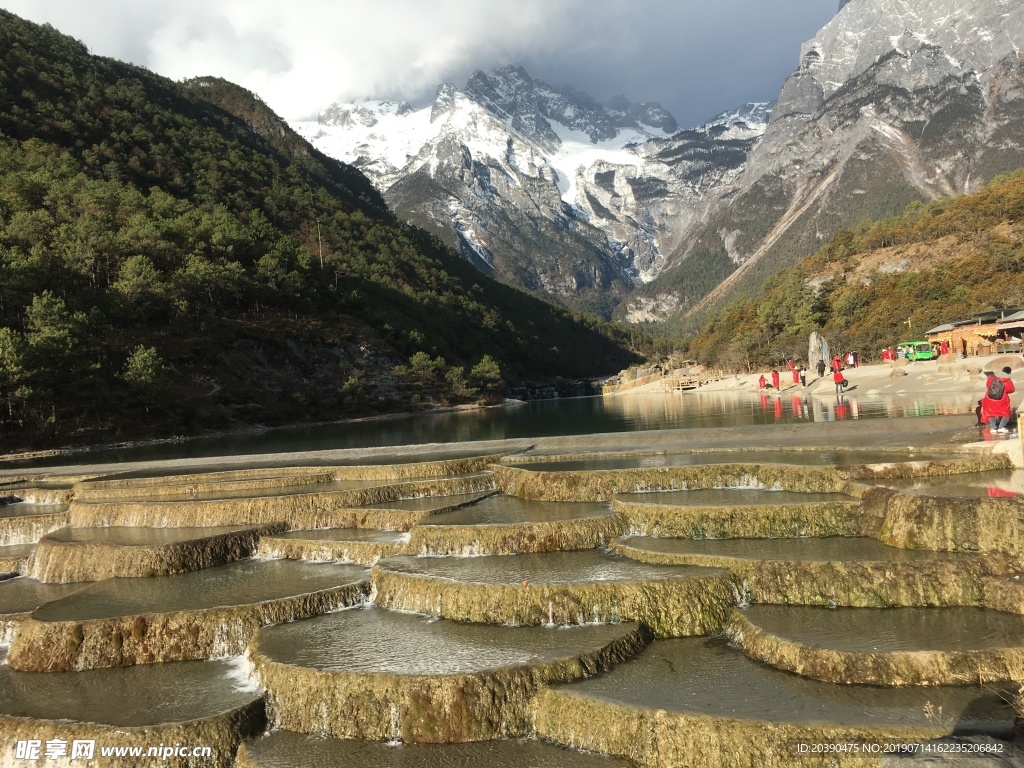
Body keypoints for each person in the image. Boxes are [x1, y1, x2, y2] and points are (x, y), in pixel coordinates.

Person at [982, 366, 1016, 434]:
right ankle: (1001, 427)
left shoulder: (991, 378)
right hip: (1002, 400)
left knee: (991, 413)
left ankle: (994, 428)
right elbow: (1011, 390)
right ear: (1009, 373)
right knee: (1006, 413)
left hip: (989, 399)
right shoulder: (1007, 381)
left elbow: (987, 386)